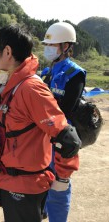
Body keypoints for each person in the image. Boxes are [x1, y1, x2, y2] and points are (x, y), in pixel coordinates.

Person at [0, 25, 81, 222]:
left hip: (25, 186)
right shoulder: (11, 84)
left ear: (7, 52)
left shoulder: (30, 88)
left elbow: (68, 139)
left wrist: (61, 180)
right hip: (11, 181)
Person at [40, 22, 86, 222]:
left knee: (59, 183)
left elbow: (67, 108)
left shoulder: (75, 74)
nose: (48, 48)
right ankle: (44, 210)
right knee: (42, 177)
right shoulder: (45, 72)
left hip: (60, 138)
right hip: (42, 135)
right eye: (47, 44)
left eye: (53, 45)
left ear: (66, 46)